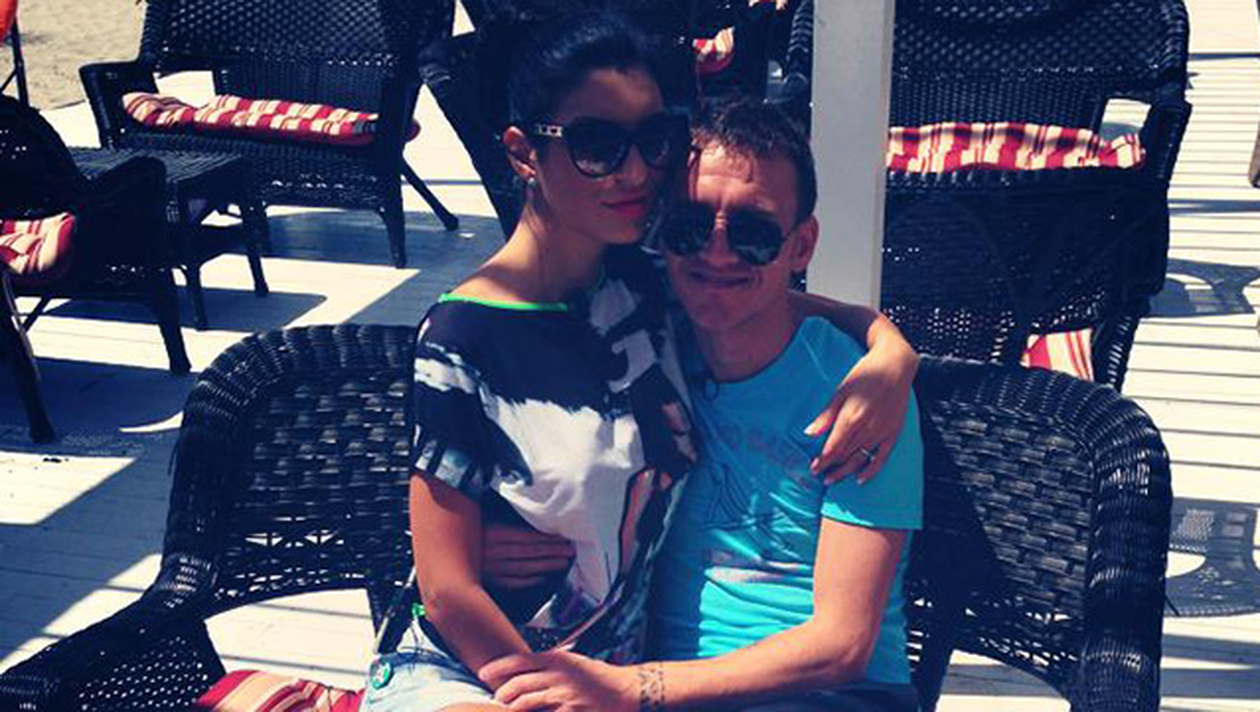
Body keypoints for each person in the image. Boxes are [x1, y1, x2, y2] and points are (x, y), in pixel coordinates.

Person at [361, 14, 918, 712]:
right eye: (597, 145)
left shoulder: (648, 287)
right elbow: (446, 591)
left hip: (612, 678)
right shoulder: (460, 336)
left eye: (653, 141)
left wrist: (890, 352)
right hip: (480, 668)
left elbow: (762, 292)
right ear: (524, 153)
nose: (634, 172)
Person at [479, 99, 924, 711]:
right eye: (689, 227)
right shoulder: (647, 342)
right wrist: (489, 538)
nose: (717, 253)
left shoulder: (858, 393)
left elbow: (842, 645)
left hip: (833, 695)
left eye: (753, 234)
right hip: (657, 682)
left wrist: (636, 688)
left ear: (801, 246)